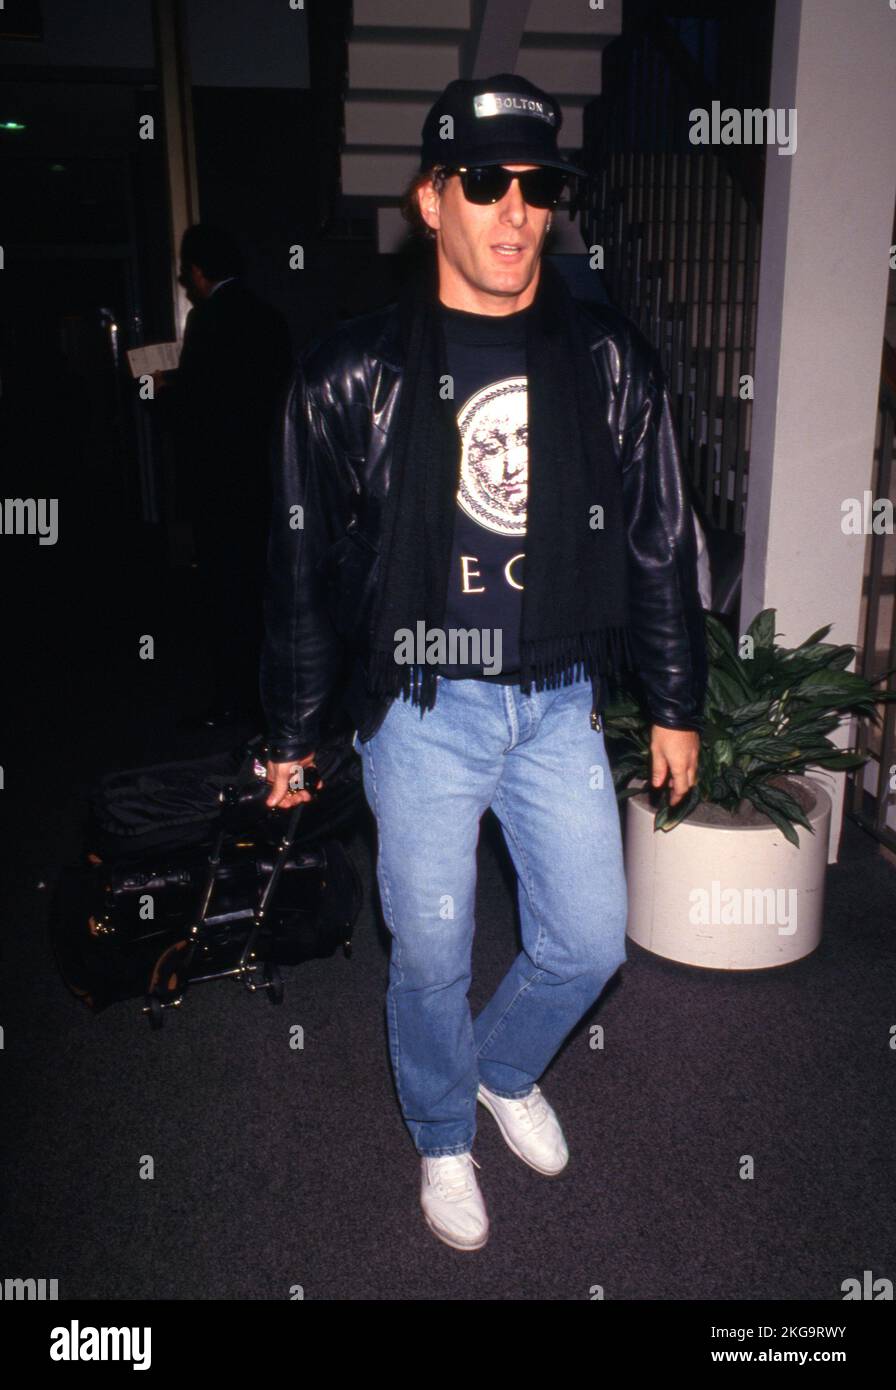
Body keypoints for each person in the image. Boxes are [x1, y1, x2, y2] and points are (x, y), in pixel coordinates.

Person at [260, 75, 708, 1251]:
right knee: (432, 952)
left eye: (535, 186)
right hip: (422, 705)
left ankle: (502, 1069)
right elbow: (301, 576)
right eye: (482, 183)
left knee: (587, 942)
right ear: (428, 199)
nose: (512, 211)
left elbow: (659, 539)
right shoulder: (350, 374)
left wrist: (674, 703)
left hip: (558, 699)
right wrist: (295, 734)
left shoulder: (607, 358)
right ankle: (442, 1135)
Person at [154, 225, 293, 726]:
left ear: (197, 270)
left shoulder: (207, 319)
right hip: (265, 479)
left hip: (219, 482)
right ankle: (270, 697)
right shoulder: (269, 319)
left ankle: (232, 696)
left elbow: (196, 409)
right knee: (264, 592)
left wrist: (162, 390)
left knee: (225, 593)